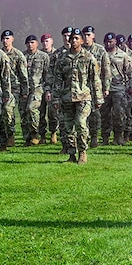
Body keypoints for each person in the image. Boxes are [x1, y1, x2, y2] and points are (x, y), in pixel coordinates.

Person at [46, 27, 103, 164]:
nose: (74, 41)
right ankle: (72, 154)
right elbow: (57, 80)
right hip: (67, 98)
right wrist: (56, 98)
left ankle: (83, 152)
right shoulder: (63, 58)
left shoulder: (89, 57)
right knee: (68, 127)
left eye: (77, 38)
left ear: (82, 41)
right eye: (72, 39)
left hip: (84, 97)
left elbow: (95, 79)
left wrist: (98, 98)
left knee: (81, 123)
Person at [0, 29, 28, 149]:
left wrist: (25, 91)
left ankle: (11, 135)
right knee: (0, 114)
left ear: (12, 39)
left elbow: (23, 75)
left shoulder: (18, 55)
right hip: (0, 87)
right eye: (4, 39)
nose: (6, 41)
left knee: (8, 109)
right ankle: (3, 139)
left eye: (8, 38)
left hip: (14, 88)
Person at [21, 34, 49, 145]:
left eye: (32, 42)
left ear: (37, 43)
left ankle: (35, 134)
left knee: (31, 109)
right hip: (24, 89)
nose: (30, 44)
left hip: (38, 88)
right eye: (28, 43)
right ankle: (27, 138)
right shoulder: (22, 56)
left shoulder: (43, 56)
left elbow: (48, 74)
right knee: (23, 113)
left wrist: (47, 89)